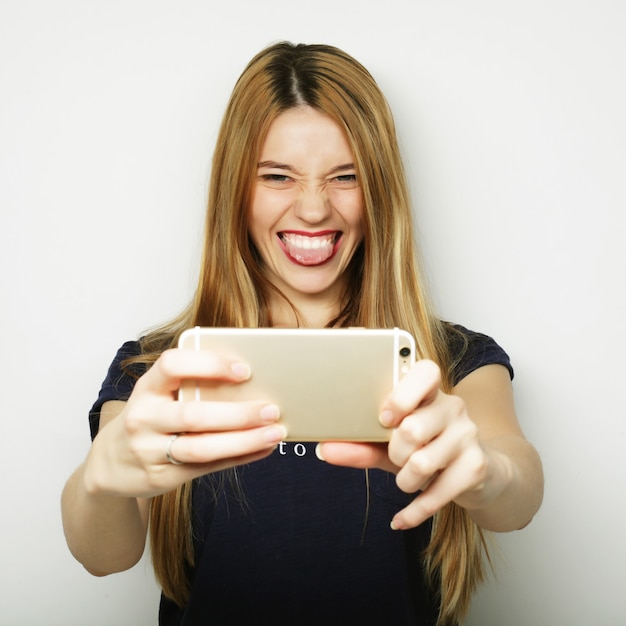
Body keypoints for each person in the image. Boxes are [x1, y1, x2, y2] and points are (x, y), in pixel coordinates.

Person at [61, 41, 543, 626]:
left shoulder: (451, 360)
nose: (313, 209)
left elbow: (517, 497)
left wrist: (488, 473)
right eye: (277, 176)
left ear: (380, 192)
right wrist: (100, 482)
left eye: (346, 176)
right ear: (235, 189)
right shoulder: (159, 368)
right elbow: (103, 555)